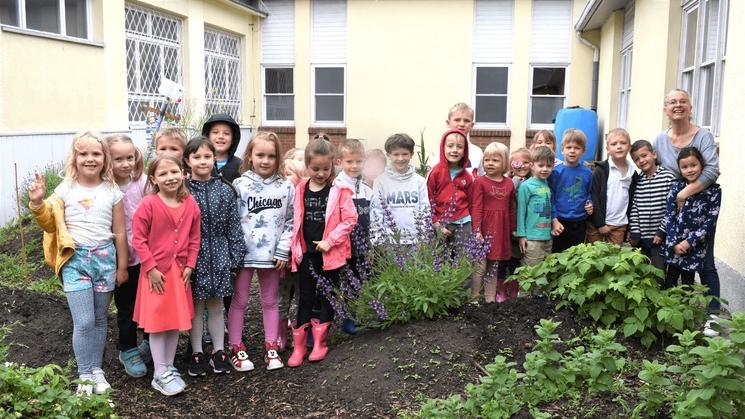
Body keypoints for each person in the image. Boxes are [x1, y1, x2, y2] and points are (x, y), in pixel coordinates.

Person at [28, 132, 128, 396]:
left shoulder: (112, 192)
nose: (90, 158)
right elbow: (49, 222)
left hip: (105, 260)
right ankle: (84, 374)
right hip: (75, 260)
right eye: (83, 153)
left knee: (100, 318)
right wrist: (37, 202)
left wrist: (122, 267)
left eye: (96, 153)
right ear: (74, 158)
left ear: (104, 158)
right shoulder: (65, 190)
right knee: (84, 321)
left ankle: (96, 370)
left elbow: (120, 232)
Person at [132, 155, 200, 396]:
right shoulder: (148, 204)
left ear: (182, 173)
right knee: (158, 324)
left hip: (179, 273)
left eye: (174, 172)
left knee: (173, 323)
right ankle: (159, 373)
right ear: (153, 179)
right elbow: (138, 239)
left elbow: (194, 237)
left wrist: (190, 264)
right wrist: (150, 268)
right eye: (163, 174)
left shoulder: (190, 203)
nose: (170, 177)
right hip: (157, 275)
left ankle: (169, 367)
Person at [652, 88, 722, 324]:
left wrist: (683, 193)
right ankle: (675, 313)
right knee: (674, 262)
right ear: (665, 110)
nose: (678, 105)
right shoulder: (660, 140)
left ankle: (713, 317)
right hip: (673, 211)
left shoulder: (703, 136)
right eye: (672, 102)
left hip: (701, 207)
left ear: (690, 108)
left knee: (706, 263)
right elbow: (651, 167)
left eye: (683, 101)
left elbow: (712, 170)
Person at [288, 138, 358, 367]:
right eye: (315, 168)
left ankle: (320, 342)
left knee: (328, 294)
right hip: (307, 253)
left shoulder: (339, 190)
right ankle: (299, 346)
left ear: (332, 165)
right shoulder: (300, 189)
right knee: (305, 298)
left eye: (325, 169)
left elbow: (350, 219)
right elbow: (296, 220)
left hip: (331, 255)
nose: (320, 174)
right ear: (307, 166)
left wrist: (330, 240)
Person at [230, 132, 294, 371]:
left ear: (278, 158)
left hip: (272, 256)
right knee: (240, 300)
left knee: (270, 301)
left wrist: (283, 249)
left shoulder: (286, 186)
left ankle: (271, 345)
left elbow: (291, 220)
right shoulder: (240, 185)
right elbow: (232, 221)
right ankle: (235, 345)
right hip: (244, 255)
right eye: (260, 155)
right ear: (250, 156)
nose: (265, 161)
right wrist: (235, 252)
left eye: (271, 156)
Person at [183, 137, 246, 376]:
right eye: (197, 157)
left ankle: (219, 350)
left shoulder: (226, 190)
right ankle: (197, 352)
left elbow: (234, 226)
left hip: (220, 254)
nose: (202, 161)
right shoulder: (183, 191)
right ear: (187, 160)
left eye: (207, 157)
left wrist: (235, 258)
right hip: (193, 256)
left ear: (214, 159)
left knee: (217, 305)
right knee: (196, 307)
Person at [105, 134, 150, 378]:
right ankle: (128, 349)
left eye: (129, 158)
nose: (125, 164)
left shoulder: (142, 182)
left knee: (150, 303)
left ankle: (150, 343)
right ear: (108, 160)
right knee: (127, 307)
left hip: (147, 256)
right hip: (122, 258)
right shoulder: (106, 188)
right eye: (118, 159)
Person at [659, 147, 721, 291]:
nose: (690, 170)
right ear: (680, 169)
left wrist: (689, 242)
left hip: (694, 245)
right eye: (685, 167)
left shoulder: (714, 191)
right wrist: (674, 242)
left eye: (693, 165)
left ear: (702, 165)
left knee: (688, 283)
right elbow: (669, 216)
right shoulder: (676, 187)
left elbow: (710, 221)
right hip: (675, 244)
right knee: (670, 281)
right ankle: (669, 305)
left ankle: (686, 306)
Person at [335, 139, 374, 335]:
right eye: (349, 161)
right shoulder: (336, 186)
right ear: (340, 162)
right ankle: (327, 320)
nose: (354, 166)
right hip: (341, 243)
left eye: (358, 161)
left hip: (361, 244)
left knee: (356, 280)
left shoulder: (366, 188)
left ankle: (350, 317)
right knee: (336, 281)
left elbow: (372, 216)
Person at [471, 142, 516, 303]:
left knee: (493, 267)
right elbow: (476, 207)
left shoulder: (509, 183)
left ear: (504, 162)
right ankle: (474, 298)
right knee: (480, 266)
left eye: (495, 160)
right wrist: (477, 230)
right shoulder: (480, 182)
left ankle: (490, 299)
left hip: (500, 230)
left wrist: (513, 229)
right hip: (484, 230)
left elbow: (511, 209)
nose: (490, 163)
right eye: (487, 160)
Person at [370, 134, 430, 245]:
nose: (400, 158)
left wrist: (424, 239)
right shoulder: (380, 181)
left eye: (405, 154)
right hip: (390, 242)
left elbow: (425, 210)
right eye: (396, 154)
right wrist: (378, 242)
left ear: (411, 154)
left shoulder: (420, 181)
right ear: (388, 155)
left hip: (416, 241)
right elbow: (377, 212)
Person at [628, 140, 676, 274]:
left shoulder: (668, 178)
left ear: (654, 154)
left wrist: (661, 231)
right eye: (636, 159)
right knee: (639, 273)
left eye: (644, 155)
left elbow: (672, 209)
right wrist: (635, 232)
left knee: (657, 273)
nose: (641, 161)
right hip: (641, 238)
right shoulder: (637, 180)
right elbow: (634, 207)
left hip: (660, 238)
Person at [548, 129, 594, 253]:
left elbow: (589, 192)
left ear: (583, 150)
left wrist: (590, 202)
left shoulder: (587, 173)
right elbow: (551, 197)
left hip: (579, 221)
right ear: (562, 149)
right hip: (560, 221)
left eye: (577, 148)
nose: (572, 151)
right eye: (569, 147)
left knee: (576, 255)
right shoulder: (555, 172)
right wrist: (554, 218)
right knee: (558, 255)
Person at [427, 129, 474, 246]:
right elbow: (427, 200)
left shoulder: (467, 176)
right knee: (440, 255)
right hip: (441, 222)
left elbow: (471, 202)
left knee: (464, 255)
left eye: (459, 147)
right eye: (450, 146)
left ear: (464, 151)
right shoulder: (435, 173)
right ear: (443, 148)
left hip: (464, 222)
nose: (455, 150)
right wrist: (435, 222)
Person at [588, 128, 634, 244]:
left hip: (619, 225)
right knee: (594, 253)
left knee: (615, 254)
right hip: (597, 224)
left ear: (629, 147)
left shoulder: (633, 173)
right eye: (614, 144)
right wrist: (600, 224)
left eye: (623, 143)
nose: (619, 146)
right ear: (608, 149)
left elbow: (632, 200)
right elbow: (593, 196)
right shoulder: (600, 171)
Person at [516, 146, 555, 267]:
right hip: (532, 238)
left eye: (549, 166)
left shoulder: (547, 184)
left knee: (545, 272)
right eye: (541, 165)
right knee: (531, 272)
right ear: (532, 165)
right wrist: (522, 235)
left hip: (547, 236)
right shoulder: (526, 186)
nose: (545, 169)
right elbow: (521, 212)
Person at [508, 148, 532, 275]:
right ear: (511, 166)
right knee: (513, 256)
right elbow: (508, 193)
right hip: (513, 226)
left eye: (526, 162)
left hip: (529, 226)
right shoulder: (509, 181)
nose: (522, 166)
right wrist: (516, 180)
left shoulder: (534, 181)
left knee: (525, 255)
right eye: (517, 163)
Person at [202, 114, 243, 182]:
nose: (221, 136)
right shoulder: (199, 163)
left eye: (226, 133)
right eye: (215, 132)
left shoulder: (241, 166)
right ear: (207, 136)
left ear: (233, 139)